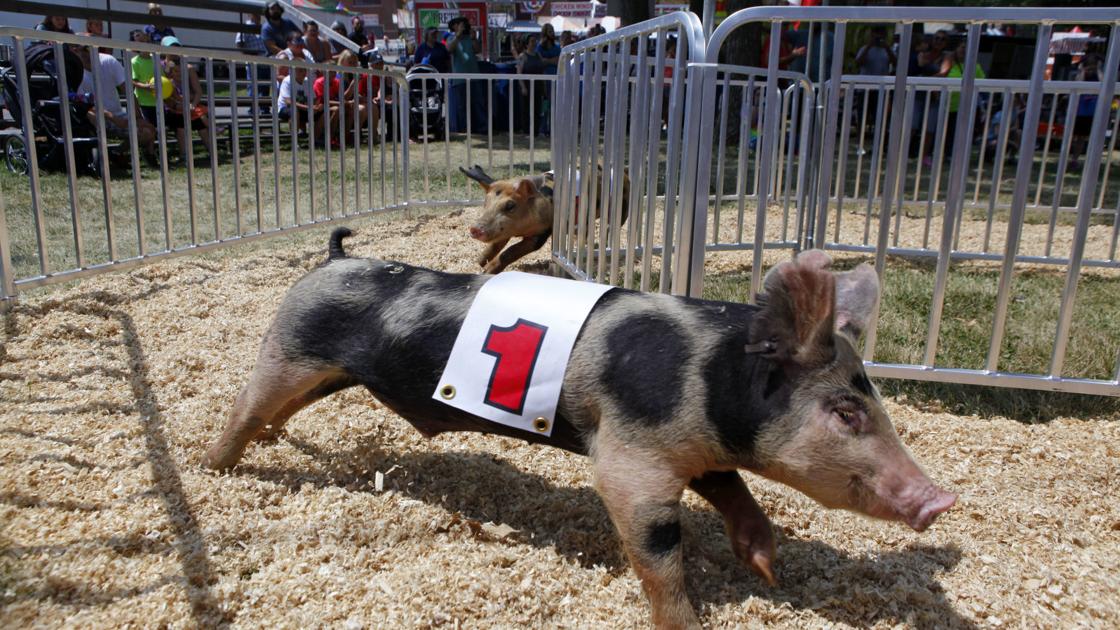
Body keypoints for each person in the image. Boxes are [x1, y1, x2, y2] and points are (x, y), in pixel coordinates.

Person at [73, 38, 158, 164]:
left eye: (87, 48)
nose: (84, 52)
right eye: (80, 49)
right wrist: (112, 117)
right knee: (93, 117)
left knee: (148, 130)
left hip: (117, 114)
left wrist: (137, 117)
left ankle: (117, 153)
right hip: (94, 115)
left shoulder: (108, 61)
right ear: (74, 51)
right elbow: (83, 104)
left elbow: (128, 90)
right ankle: (101, 158)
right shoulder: (74, 70)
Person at [159, 37, 215, 162]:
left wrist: (193, 104)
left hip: (188, 105)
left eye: (176, 47)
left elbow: (198, 91)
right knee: (181, 126)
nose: (174, 51)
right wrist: (168, 67)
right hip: (171, 106)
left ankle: (213, 153)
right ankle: (185, 155)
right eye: (171, 48)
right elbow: (164, 86)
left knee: (201, 126)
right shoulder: (160, 66)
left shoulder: (188, 67)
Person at [944, 40, 986, 156]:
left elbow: (982, 83)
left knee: (960, 132)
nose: (963, 50)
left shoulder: (975, 66)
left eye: (966, 48)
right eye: (961, 47)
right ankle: (946, 154)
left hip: (965, 107)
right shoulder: (949, 62)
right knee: (947, 132)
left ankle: (957, 154)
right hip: (947, 105)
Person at [448, 16, 486, 133]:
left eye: (464, 25)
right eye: (459, 24)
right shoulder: (451, 38)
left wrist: (474, 38)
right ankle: (464, 129)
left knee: (478, 104)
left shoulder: (469, 38)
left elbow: (478, 50)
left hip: (474, 76)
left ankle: (482, 128)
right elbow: (449, 49)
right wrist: (458, 35)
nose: (462, 26)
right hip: (460, 79)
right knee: (463, 106)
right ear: (454, 26)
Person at [515, 34, 545, 134]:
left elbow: (542, 71)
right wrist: (523, 87)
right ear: (527, 44)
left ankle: (536, 131)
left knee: (537, 109)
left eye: (535, 41)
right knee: (526, 110)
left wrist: (543, 87)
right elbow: (519, 72)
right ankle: (526, 131)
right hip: (527, 87)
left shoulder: (538, 55)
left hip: (537, 86)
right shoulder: (522, 56)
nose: (534, 43)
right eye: (532, 41)